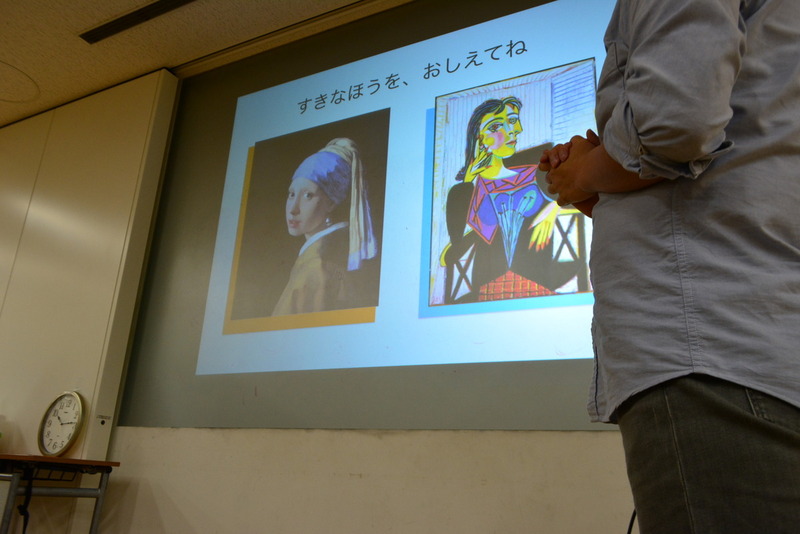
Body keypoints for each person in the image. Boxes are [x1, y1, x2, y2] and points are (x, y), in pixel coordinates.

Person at [540, 1, 800, 531]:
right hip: (753, 346)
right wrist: (604, 176)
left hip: (708, 356)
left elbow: (674, 125)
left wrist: (583, 173)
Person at [442, 96, 578, 303]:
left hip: (538, 282)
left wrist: (553, 209)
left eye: (513, 121)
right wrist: (469, 180)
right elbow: (454, 249)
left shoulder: (536, 174)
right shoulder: (465, 190)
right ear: (479, 137)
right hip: (488, 288)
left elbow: (582, 203)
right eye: (496, 126)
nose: (513, 131)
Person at [272, 137, 378, 315]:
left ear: (331, 202)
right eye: (291, 194)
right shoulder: (320, 258)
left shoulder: (316, 267)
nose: (293, 209)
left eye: (308, 195)